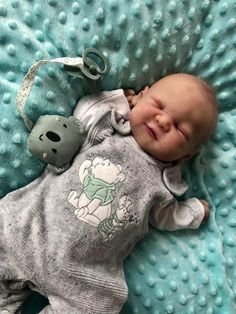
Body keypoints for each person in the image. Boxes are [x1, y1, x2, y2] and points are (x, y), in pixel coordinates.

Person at [0, 73, 217, 313]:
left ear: (184, 155)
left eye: (180, 129)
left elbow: (168, 217)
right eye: (158, 105)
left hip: (81, 273)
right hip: (26, 228)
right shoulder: (108, 129)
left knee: (102, 304)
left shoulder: (164, 186)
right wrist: (119, 99)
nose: (164, 121)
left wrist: (194, 212)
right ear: (140, 97)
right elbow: (85, 110)